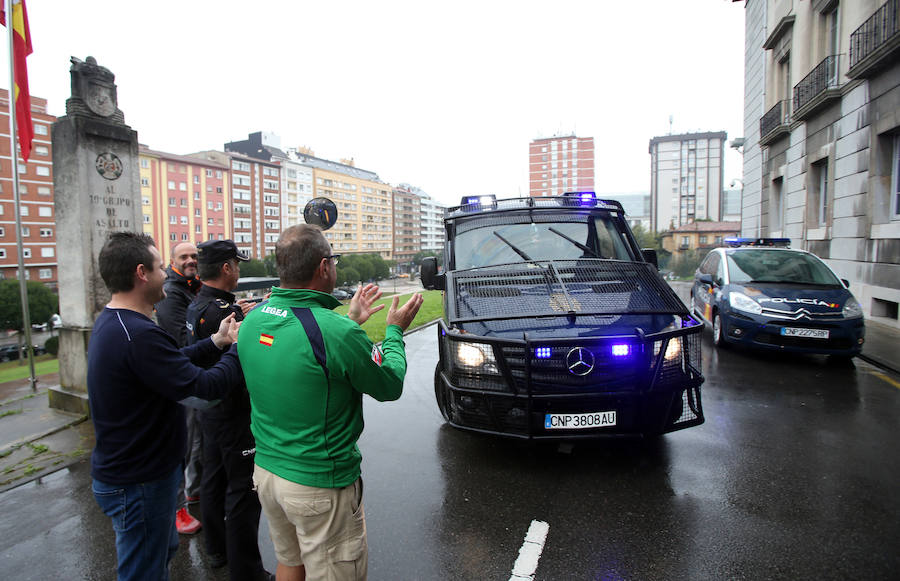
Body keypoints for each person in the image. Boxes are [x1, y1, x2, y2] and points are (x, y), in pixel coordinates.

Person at [238, 224, 423, 581]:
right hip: (319, 487)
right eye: (334, 261)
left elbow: (302, 351)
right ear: (324, 267)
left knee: (290, 562)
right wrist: (395, 331)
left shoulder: (254, 320)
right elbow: (390, 384)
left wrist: (350, 321)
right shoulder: (337, 333)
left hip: (268, 475)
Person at [88, 232, 244, 581]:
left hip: (136, 475)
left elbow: (170, 363)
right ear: (142, 273)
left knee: (157, 556)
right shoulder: (138, 335)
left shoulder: (120, 323)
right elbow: (206, 392)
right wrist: (237, 348)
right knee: (143, 570)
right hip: (139, 481)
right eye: (161, 267)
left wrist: (216, 341)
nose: (168, 274)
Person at [186, 240, 268, 580]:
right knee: (243, 494)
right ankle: (247, 571)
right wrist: (259, 327)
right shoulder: (223, 312)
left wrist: (241, 312)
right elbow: (257, 350)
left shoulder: (200, 304)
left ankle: (217, 549)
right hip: (234, 412)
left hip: (210, 411)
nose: (238, 269)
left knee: (214, 480)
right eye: (236, 264)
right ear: (226, 269)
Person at [154, 241, 204, 535]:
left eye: (194, 256)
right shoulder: (173, 294)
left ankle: (193, 491)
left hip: (191, 373)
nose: (190, 260)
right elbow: (182, 341)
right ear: (173, 261)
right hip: (182, 376)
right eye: (184, 257)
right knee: (185, 442)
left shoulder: (191, 286)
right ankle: (178, 509)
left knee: (196, 438)